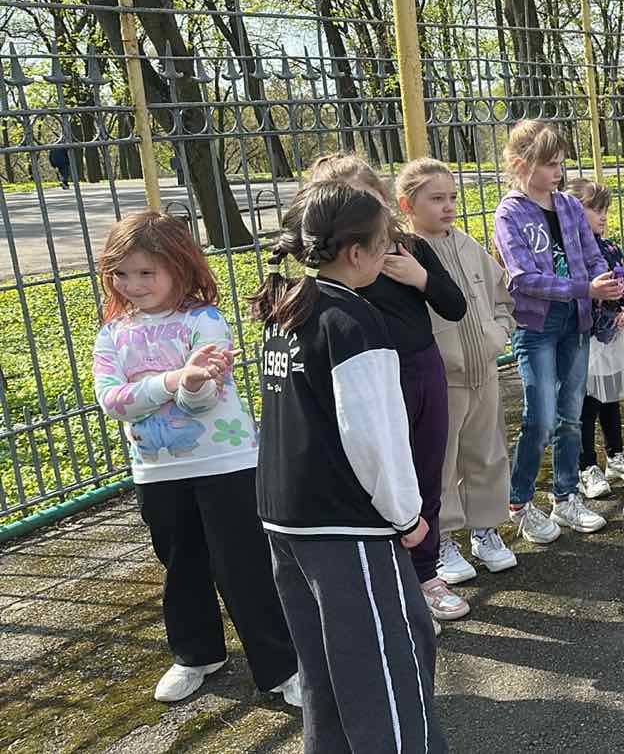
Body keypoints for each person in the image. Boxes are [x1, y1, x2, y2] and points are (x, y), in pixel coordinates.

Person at [250, 180, 447, 753]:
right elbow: (375, 437)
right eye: (384, 245)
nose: (389, 255)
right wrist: (407, 515)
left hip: (286, 518)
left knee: (324, 671)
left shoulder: (288, 307)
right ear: (357, 252)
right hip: (345, 526)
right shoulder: (354, 322)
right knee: (387, 666)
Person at [91, 212, 300, 706]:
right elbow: (112, 400)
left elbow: (203, 399)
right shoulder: (113, 333)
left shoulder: (204, 321)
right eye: (122, 274)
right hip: (156, 470)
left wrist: (186, 386)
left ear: (179, 266)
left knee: (243, 565)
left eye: (147, 272)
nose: (133, 285)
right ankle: (196, 653)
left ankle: (281, 665)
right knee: (180, 562)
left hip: (225, 463)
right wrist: (173, 380)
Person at [307, 153, 471, 622]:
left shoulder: (410, 247)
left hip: (423, 371)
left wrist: (420, 278)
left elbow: (455, 305)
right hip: (372, 381)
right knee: (381, 479)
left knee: (426, 476)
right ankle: (389, 584)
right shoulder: (339, 265)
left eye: (370, 199)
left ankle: (427, 575)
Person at [492, 120, 624, 542]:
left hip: (576, 322)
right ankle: (520, 501)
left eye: (561, 163)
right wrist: (585, 288)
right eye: (550, 164)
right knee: (541, 417)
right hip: (536, 326)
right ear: (521, 164)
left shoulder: (568, 206)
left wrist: (607, 282)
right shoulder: (510, 213)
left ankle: (566, 496)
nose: (558, 172)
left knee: (571, 414)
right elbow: (521, 278)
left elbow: (590, 255)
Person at [394, 158, 519, 583]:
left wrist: (498, 335)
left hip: (484, 371)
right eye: (436, 199)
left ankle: (485, 530)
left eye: (452, 197)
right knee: (441, 462)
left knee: (487, 452)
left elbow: (503, 299)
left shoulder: (468, 245)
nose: (448, 206)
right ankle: (443, 538)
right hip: (442, 380)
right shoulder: (404, 253)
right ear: (406, 204)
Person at [564, 177, 624, 499]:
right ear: (574, 212)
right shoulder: (569, 253)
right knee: (586, 406)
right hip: (585, 339)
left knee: (610, 398)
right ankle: (586, 466)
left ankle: (615, 455)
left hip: (613, 338)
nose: (603, 216)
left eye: (605, 210)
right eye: (595, 209)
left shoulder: (610, 249)